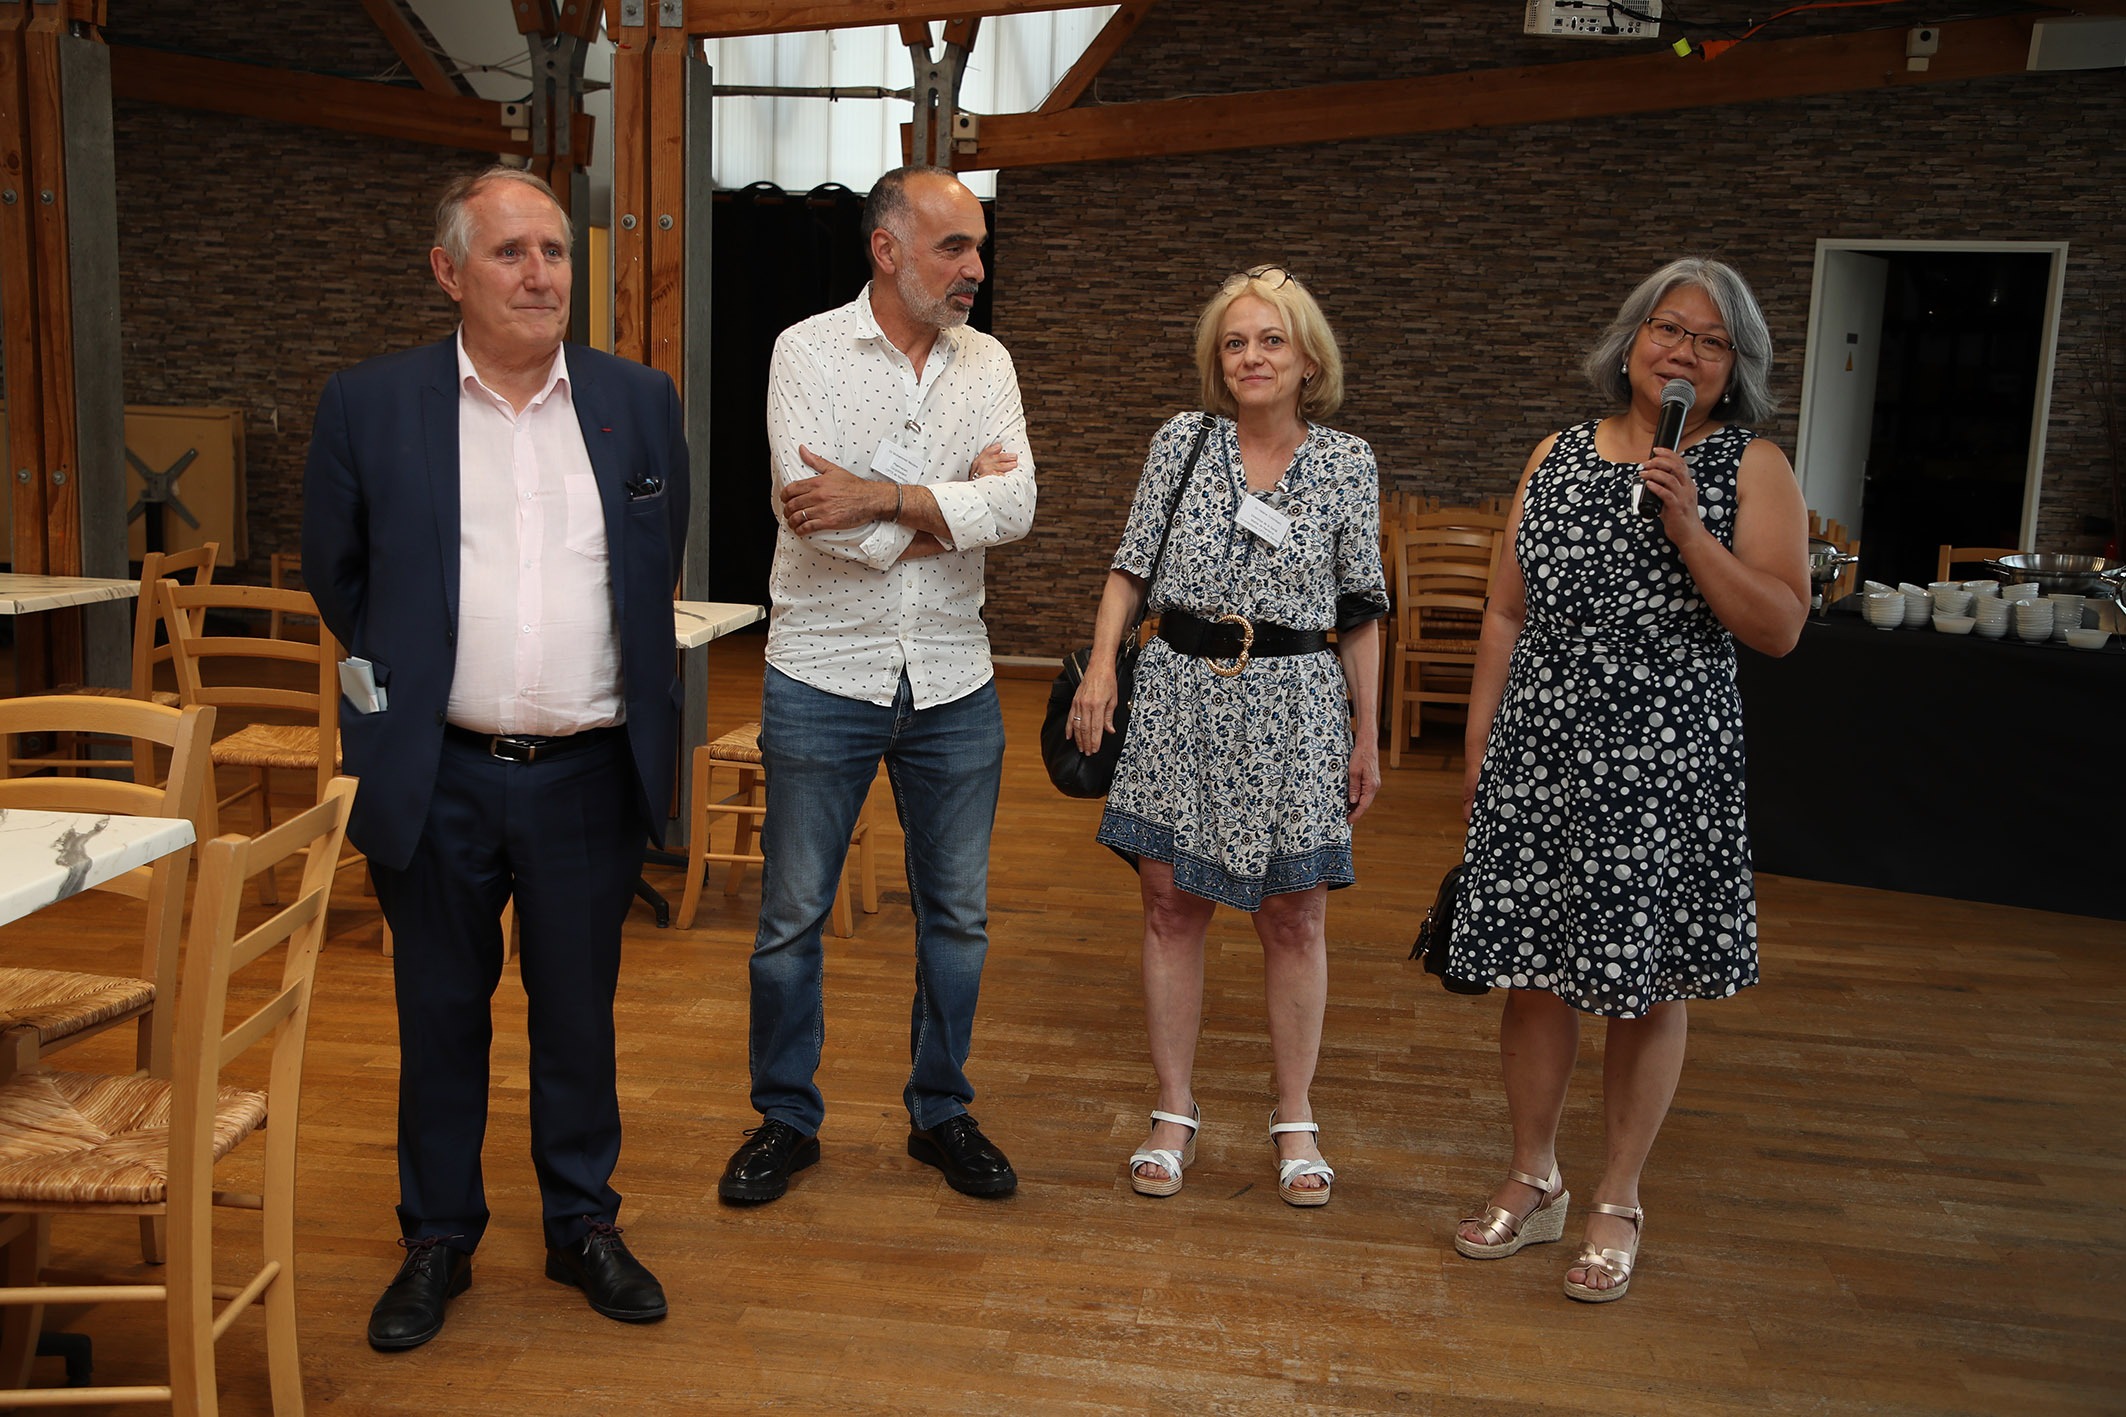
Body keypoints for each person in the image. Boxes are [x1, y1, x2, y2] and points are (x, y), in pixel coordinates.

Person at [304, 166, 687, 1349]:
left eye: (555, 252)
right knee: (438, 1015)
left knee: (578, 1015)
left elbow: (653, 561)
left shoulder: (638, 400)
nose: (539, 274)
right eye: (511, 252)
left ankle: (582, 1224)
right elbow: (337, 574)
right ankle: (437, 1237)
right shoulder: (371, 404)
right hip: (437, 772)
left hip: (586, 774)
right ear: (448, 271)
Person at [1445, 257, 1808, 1302]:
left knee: (1642, 979)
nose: (1682, 351)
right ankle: (1534, 1175)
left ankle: (1618, 1196)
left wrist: (1689, 527)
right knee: (1532, 969)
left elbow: (1779, 625)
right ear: (1632, 338)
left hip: (1663, 760)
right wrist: (1480, 746)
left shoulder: (1750, 466)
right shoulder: (1554, 453)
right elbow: (1506, 609)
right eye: (1668, 328)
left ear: (1734, 366)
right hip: (1542, 748)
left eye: (1710, 340)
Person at [716, 164, 1035, 1205]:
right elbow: (816, 520)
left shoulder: (988, 361)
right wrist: (950, 508)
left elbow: (1017, 508)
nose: (975, 267)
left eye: (979, 246)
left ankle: (941, 1111)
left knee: (958, 919)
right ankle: (784, 1118)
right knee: (791, 917)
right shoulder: (805, 351)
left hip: (954, 677)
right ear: (887, 249)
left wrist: (885, 497)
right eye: (954, 247)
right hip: (822, 673)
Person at [1068, 265, 1385, 1207]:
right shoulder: (1182, 441)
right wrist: (1100, 663)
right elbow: (1131, 566)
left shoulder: (1347, 462)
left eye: (1271, 340)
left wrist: (1368, 731)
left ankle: (1296, 1117)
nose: (1252, 356)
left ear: (1308, 360)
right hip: (1178, 695)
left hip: (1296, 706)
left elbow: (1361, 610)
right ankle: (1174, 1109)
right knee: (1170, 906)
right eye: (1235, 342)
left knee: (1294, 914)